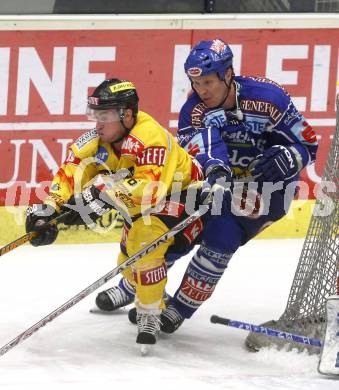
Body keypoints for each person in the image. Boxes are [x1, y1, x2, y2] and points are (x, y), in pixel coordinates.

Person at [96, 38, 318, 335]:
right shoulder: (193, 110)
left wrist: (292, 156)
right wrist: (217, 171)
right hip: (216, 184)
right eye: (196, 83)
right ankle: (132, 285)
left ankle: (178, 310)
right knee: (171, 231)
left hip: (265, 191)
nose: (202, 90)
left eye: (209, 82)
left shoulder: (269, 98)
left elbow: (308, 143)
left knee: (221, 239)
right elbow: (204, 149)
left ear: (228, 74)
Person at [25, 78, 204, 350]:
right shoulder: (102, 136)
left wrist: (103, 198)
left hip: (185, 196)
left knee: (143, 244)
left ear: (127, 115)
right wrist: (50, 208)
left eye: (105, 117)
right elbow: (73, 169)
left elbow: (149, 190)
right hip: (143, 202)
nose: (97, 124)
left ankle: (149, 312)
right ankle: (144, 290)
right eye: (96, 116)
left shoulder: (151, 137)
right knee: (129, 256)